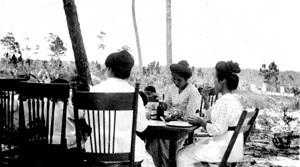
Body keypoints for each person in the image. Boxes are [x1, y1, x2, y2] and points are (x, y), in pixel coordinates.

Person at [88, 50, 155, 166]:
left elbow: (88, 121)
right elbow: (141, 127)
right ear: (128, 71)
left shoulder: (94, 90)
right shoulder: (134, 94)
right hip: (127, 152)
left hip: (96, 151)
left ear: (109, 69)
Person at [176, 60, 243, 167]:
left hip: (222, 148)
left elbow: (218, 129)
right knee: (189, 153)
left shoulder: (224, 102)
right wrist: (206, 101)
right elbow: (217, 118)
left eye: (214, 78)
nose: (214, 82)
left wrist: (202, 122)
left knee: (181, 155)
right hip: (231, 147)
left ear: (222, 81)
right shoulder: (231, 99)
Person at [147, 60, 201, 167]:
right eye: (174, 79)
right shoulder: (173, 88)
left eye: (179, 80)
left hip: (183, 127)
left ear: (186, 80)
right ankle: (157, 163)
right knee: (154, 138)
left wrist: (179, 113)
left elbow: (190, 115)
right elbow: (167, 103)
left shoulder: (193, 92)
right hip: (170, 124)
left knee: (162, 139)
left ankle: (166, 163)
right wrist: (163, 106)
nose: (176, 82)